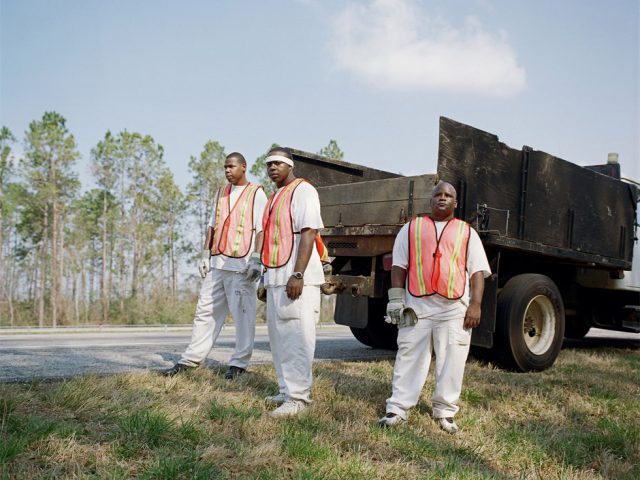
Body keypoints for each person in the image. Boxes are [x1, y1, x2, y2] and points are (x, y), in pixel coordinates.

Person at [378, 181, 490, 434]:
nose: (442, 198)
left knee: (453, 359)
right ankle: (397, 409)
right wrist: (396, 299)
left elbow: (477, 272)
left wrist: (475, 304)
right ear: (430, 200)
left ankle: (446, 412)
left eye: (448, 195)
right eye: (437, 194)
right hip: (416, 305)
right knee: (409, 355)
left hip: (454, 308)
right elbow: (399, 267)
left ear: (455, 203)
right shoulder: (411, 229)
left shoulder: (467, 232)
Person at [161, 152, 268, 379]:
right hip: (217, 264)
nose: (228, 171)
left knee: (243, 315)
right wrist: (204, 254)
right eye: (225, 167)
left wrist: (257, 258)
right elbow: (212, 226)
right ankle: (190, 360)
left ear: (243, 167)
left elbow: (262, 228)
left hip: (241, 266)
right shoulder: (220, 193)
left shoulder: (256, 193)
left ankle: (239, 364)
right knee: (205, 312)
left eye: (231, 167)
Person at [260, 147, 326, 418]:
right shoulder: (275, 196)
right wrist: (265, 277)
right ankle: (286, 389)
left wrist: (298, 274)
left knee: (298, 337)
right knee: (279, 338)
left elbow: (309, 232)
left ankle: (298, 398)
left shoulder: (304, 191)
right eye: (268, 164)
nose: (273, 168)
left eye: (278, 163)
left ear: (291, 166)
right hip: (276, 278)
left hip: (297, 278)